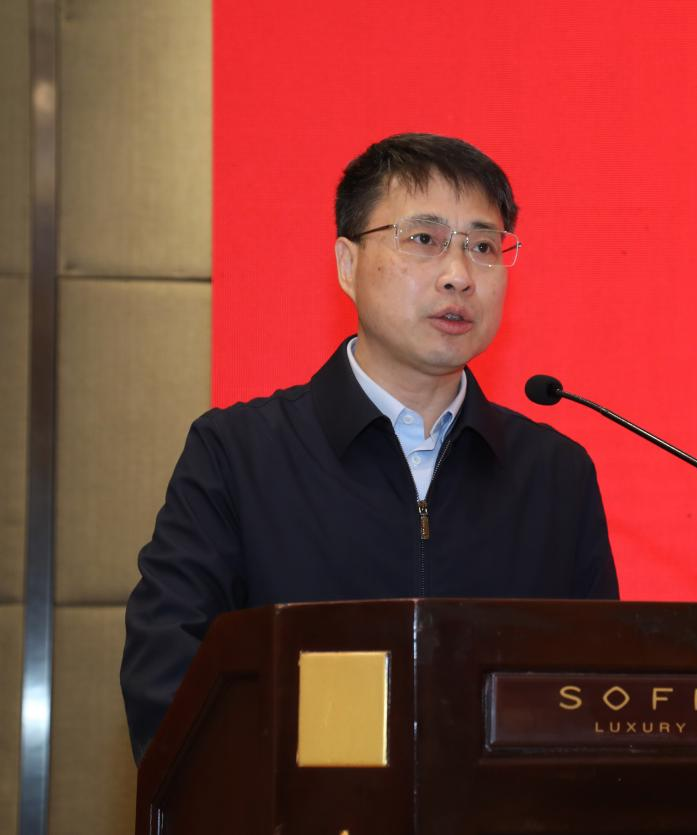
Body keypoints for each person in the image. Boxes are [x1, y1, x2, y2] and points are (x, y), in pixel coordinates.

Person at [120, 133, 619, 763]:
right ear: (346, 264)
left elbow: (597, 699)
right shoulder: (237, 455)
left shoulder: (554, 474)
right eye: (423, 239)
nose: (459, 275)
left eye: (483, 247)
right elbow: (168, 684)